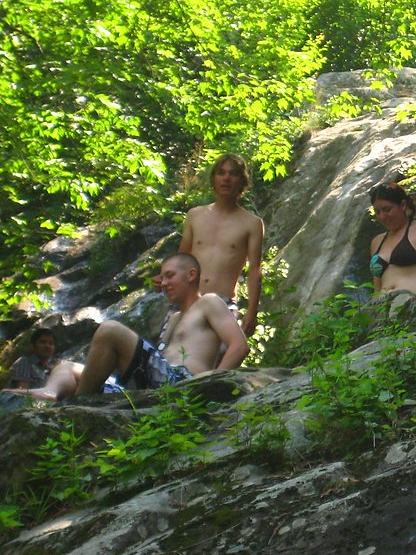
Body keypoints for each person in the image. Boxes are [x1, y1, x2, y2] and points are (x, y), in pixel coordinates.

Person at [11, 253, 248, 401]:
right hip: (150, 390)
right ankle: (49, 395)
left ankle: (78, 407)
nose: (163, 283)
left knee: (111, 329)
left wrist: (210, 387)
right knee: (66, 367)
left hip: (183, 384)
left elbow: (239, 346)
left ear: (191, 274)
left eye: (169, 276)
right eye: (162, 278)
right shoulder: (173, 317)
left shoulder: (209, 302)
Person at [179, 153, 264, 337]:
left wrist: (252, 311)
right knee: (173, 361)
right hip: (189, 299)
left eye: (233, 174)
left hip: (223, 305)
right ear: (213, 179)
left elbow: (255, 270)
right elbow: (181, 261)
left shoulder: (252, 224)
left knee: (214, 364)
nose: (226, 178)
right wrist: (165, 280)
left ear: (242, 181)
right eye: (221, 173)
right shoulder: (194, 216)